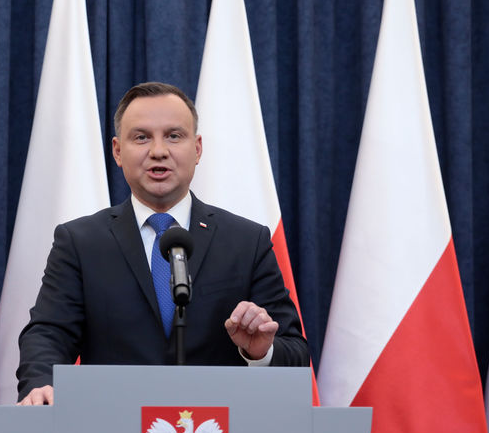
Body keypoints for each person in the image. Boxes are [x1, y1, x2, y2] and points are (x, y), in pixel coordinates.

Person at [17, 82, 308, 405]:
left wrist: (260, 351)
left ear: (197, 149)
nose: (158, 151)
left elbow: (295, 352)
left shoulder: (246, 241)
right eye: (141, 137)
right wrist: (40, 382)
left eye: (174, 135)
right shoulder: (81, 242)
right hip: (111, 432)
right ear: (117, 151)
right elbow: (48, 334)